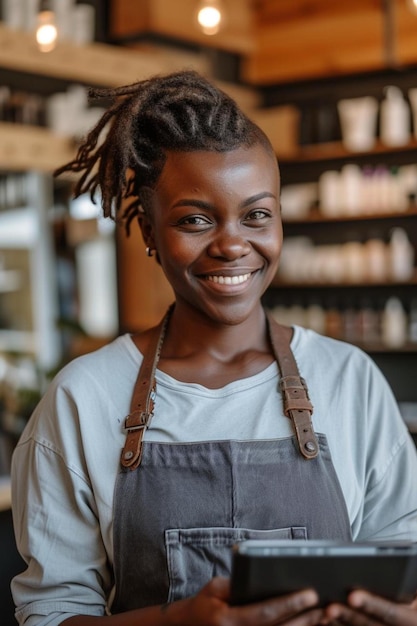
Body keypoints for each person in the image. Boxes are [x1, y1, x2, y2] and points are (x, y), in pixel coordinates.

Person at [10, 70, 417, 626]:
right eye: (196, 219)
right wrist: (176, 622)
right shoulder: (84, 398)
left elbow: (405, 577)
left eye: (257, 215)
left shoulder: (349, 379)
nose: (232, 244)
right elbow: (49, 615)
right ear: (150, 232)